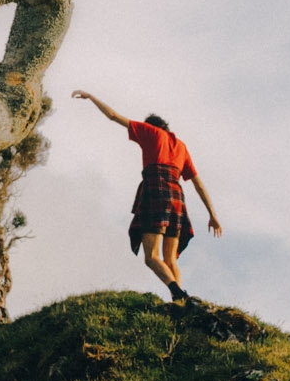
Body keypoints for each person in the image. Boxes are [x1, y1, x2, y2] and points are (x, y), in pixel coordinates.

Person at [72, 90, 223, 303]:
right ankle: (180, 302)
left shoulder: (150, 132)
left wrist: (91, 97)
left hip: (156, 191)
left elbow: (114, 116)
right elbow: (198, 183)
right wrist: (212, 215)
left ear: (151, 125)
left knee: (151, 257)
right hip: (177, 197)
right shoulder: (181, 146)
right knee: (170, 259)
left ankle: (177, 293)